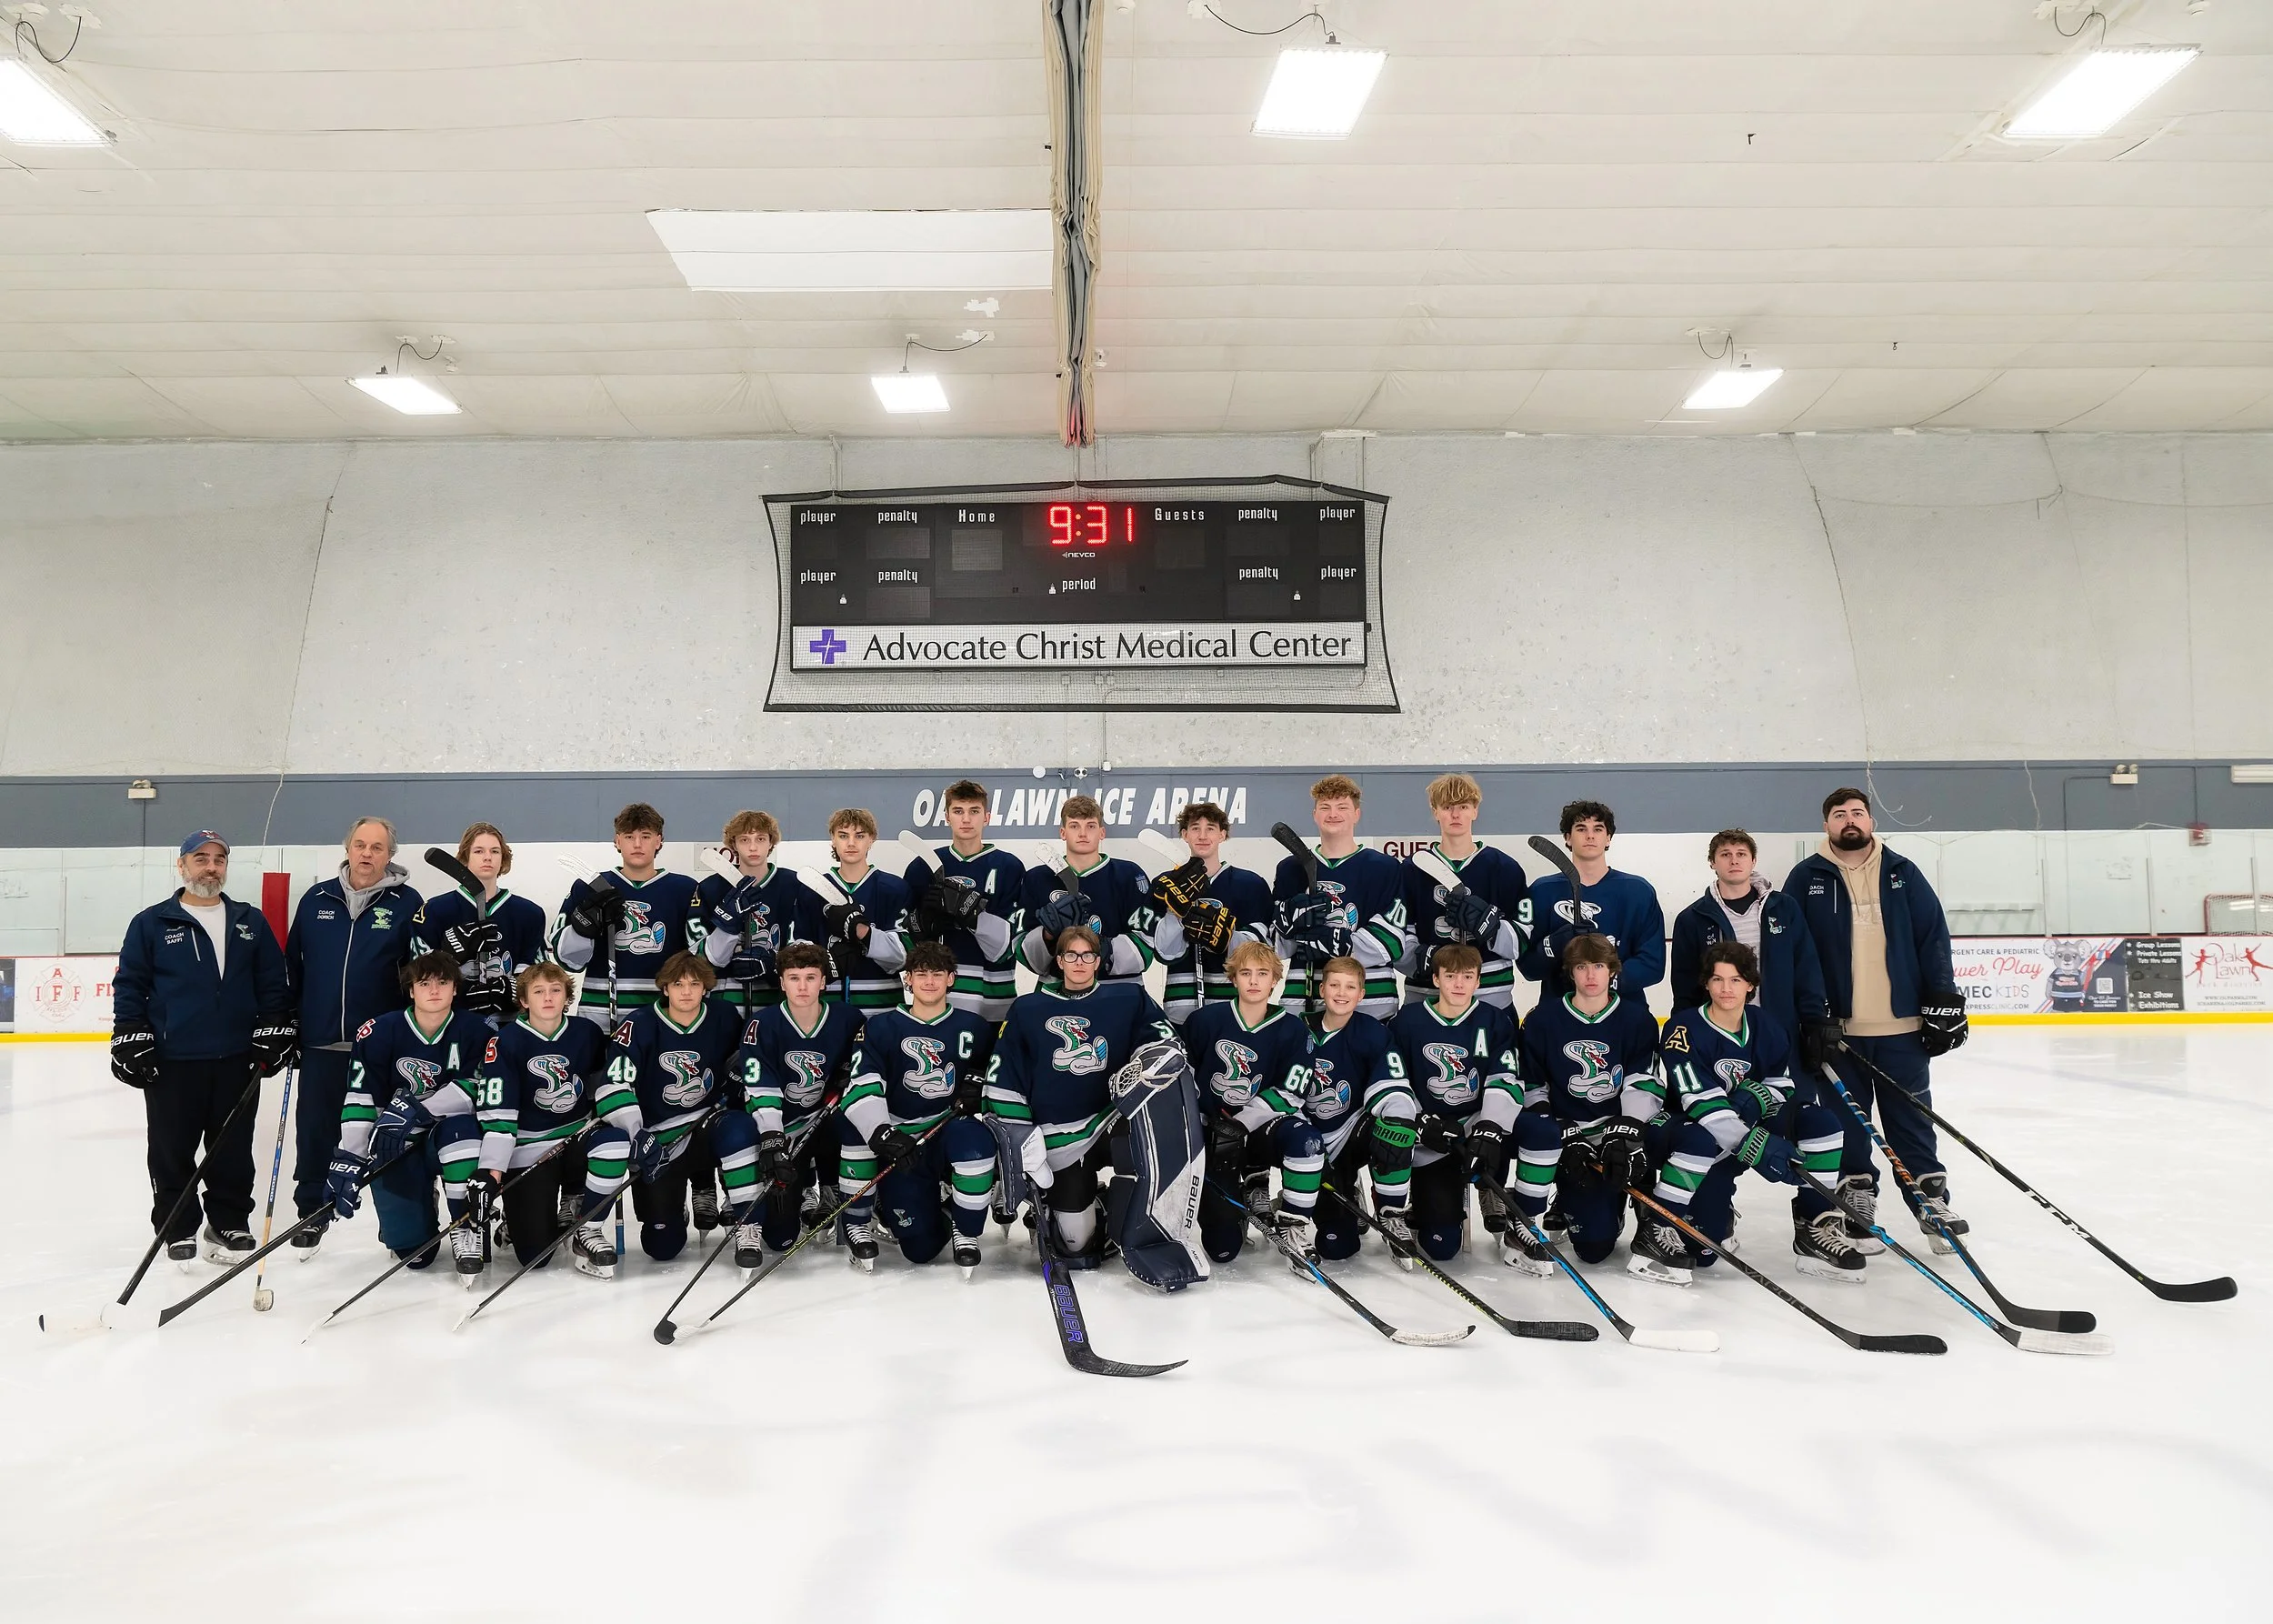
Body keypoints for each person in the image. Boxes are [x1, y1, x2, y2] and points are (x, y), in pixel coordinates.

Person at [1787, 787, 1971, 1249]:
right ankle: (1856, 1208)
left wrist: (1944, 1000)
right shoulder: (1805, 877)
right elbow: (1793, 952)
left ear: (1870, 821)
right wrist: (1808, 1017)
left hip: (1902, 1029)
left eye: (1858, 813)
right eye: (1839, 814)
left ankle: (1931, 1204)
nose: (1850, 820)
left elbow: (1933, 939)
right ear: (1826, 824)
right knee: (1848, 1125)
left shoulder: (1903, 873)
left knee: (1910, 1122)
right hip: (1838, 1032)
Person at [111, 831, 296, 1265]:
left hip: (236, 1057)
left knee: (232, 1147)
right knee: (172, 1148)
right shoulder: (152, 922)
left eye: (218, 859)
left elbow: (272, 983)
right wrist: (129, 1034)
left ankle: (228, 1220)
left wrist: (276, 1027)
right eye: (201, 859)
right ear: (182, 866)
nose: (210, 867)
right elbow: (130, 985)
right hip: (173, 1059)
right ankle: (177, 1226)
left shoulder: (249, 921)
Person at [1623, 942, 1855, 1286]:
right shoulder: (1682, 1031)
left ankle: (1815, 1223)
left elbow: (1783, 1083)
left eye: (1735, 980)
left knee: (1821, 1123)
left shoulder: (1765, 1025)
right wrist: (1754, 1143)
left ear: (1750, 984)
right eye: (1717, 980)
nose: (1726, 989)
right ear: (1706, 984)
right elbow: (1697, 1100)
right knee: (1703, 1253)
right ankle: (1660, 1224)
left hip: (1742, 1128)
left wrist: (1760, 1096)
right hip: (1687, 1134)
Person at [984, 925, 1177, 1267]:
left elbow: (1165, 1043)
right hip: (1058, 1131)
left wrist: (1148, 1063)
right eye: (1071, 955)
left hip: (1114, 1118)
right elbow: (1004, 1070)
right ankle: (1085, 1205)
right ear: (1058, 961)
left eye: (1087, 956)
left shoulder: (1129, 999)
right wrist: (1020, 1132)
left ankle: (1119, 1211)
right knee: (1075, 1245)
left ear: (1098, 961)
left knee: (1142, 1160)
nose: (1079, 963)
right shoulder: (1027, 1008)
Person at [284, 815, 421, 1254]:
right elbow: (294, 966)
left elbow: (416, 975)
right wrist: (289, 1022)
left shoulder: (408, 903)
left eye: (377, 847)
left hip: (378, 1046)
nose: (366, 854)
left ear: (390, 855)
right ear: (348, 848)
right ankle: (312, 1209)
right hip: (321, 1040)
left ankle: (397, 1217)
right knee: (316, 1129)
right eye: (360, 845)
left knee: (388, 1132)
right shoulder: (316, 898)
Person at [836, 941, 1001, 1273]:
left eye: (937, 974)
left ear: (951, 979)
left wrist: (980, 1083)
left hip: (946, 1126)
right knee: (920, 1250)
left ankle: (966, 1229)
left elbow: (1001, 1068)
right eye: (921, 974)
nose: (929, 981)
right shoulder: (880, 1026)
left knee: (977, 1144)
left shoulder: (974, 1026)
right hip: (901, 1137)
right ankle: (867, 1216)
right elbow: (862, 1083)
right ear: (907, 979)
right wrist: (884, 1132)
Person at [325, 951, 491, 1273]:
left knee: (464, 1134)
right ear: (411, 990)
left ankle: (463, 1226)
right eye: (424, 983)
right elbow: (360, 1096)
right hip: (394, 1143)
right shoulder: (377, 1032)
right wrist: (353, 1157)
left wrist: (418, 1111)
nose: (433, 990)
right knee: (415, 1257)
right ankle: (416, 1209)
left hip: (448, 1135)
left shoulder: (479, 1030)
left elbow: (480, 1089)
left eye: (443, 983)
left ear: (455, 988)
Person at [1502, 934, 1661, 1268]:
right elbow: (1532, 1085)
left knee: (1668, 1131)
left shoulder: (1637, 1019)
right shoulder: (1542, 1019)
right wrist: (1560, 1128)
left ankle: (1637, 1187)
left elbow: (1644, 1081)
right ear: (1569, 972)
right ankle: (1557, 1195)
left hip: (1614, 1131)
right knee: (1593, 1248)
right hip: (1568, 1132)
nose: (1591, 975)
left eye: (1599, 966)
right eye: (1582, 967)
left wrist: (1625, 1132)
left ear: (1612, 971)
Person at [593, 952, 758, 1265]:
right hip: (659, 1139)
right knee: (662, 1247)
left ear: (705, 988)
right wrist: (636, 1132)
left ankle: (745, 1219)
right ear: (665, 988)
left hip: (708, 1123)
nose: (686, 991)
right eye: (678, 984)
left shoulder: (724, 1016)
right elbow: (612, 1086)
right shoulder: (639, 1024)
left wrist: (743, 1073)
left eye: (694, 984)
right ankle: (673, 1204)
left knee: (740, 1129)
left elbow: (749, 1063)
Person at [474, 962, 624, 1278]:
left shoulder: (587, 1032)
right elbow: (498, 1115)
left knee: (613, 1143)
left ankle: (581, 1211)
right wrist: (493, 1172)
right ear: (524, 1000)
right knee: (535, 1257)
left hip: (577, 1137)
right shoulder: (504, 1043)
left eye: (556, 990)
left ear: (566, 996)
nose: (548, 998)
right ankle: (517, 1219)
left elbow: (604, 1084)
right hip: (530, 1148)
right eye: (538, 992)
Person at [1183, 941, 1324, 1270]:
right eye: (1246, 973)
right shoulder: (1204, 1021)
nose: (1254, 981)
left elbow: (1293, 1089)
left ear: (1275, 979)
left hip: (1261, 1129)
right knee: (1222, 1249)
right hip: (1215, 1138)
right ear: (1234, 978)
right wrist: (1202, 1123)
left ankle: (1294, 1226)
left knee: (1307, 1141)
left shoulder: (1292, 1028)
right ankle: (1240, 1200)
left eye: (1263, 974)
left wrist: (1243, 1121)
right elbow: (1182, 1075)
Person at [1384, 944, 1522, 1263]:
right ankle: (1425, 1202)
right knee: (1441, 1248)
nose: (1458, 985)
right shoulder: (1408, 1021)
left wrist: (1488, 1128)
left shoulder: (1495, 1021)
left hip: (1475, 1128)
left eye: (1467, 977)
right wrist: (1419, 1121)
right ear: (1436, 979)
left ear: (1477, 982)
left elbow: (1506, 1079)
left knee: (1526, 1126)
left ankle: (1496, 1188)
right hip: (1431, 1136)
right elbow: (1394, 1078)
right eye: (1450, 976)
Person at [734, 942, 863, 1269]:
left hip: (825, 1117)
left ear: (823, 981)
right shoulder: (761, 1025)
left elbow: (866, 1068)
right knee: (781, 1239)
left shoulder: (849, 1018)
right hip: (784, 1127)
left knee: (849, 1120)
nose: (802, 986)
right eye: (794, 978)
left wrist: (848, 1076)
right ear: (782, 982)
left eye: (810, 977)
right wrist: (773, 1138)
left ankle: (838, 1193)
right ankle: (803, 1190)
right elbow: (759, 1085)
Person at [1668, 829, 1833, 1072]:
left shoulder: (1784, 908)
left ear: (1753, 861)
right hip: (1721, 1033)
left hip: (1779, 1027)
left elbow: (1806, 968)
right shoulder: (1692, 919)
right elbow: (1685, 984)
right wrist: (1683, 1027)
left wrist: (1814, 1020)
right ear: (1713, 862)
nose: (1734, 860)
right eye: (1725, 854)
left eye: (1741, 854)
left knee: (1789, 1102)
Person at [1305, 957, 1419, 1265]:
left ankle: (1391, 1213)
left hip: (1353, 1133)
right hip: (1310, 1142)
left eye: (1350, 987)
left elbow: (1394, 1086)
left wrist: (1398, 1119)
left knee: (1395, 1128)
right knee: (1337, 1247)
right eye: (1334, 985)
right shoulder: (1297, 1029)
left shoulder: (1374, 1033)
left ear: (1361, 994)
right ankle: (1333, 1192)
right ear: (1322, 989)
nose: (1341, 993)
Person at [549, 801, 702, 1028]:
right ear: (617, 841)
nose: (637, 844)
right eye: (629, 836)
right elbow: (568, 962)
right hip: (600, 1010)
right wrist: (582, 929)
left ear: (659, 840)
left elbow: (698, 955)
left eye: (646, 836)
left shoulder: (685, 889)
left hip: (663, 1010)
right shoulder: (589, 887)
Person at [1271, 774, 1411, 1018]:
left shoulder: (1385, 868)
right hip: (1303, 998)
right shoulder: (1290, 869)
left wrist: (1338, 943)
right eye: (1325, 807)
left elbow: (1393, 940)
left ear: (1357, 814)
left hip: (1371, 1003)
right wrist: (1290, 924)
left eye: (1342, 807)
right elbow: (1275, 947)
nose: (1333, 814)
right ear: (1315, 814)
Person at [896, 781, 1026, 1020]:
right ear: (947, 816)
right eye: (958, 811)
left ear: (986, 817)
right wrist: (923, 926)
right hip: (936, 1000)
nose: (966, 819)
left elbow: (1009, 948)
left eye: (974, 811)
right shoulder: (921, 867)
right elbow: (905, 939)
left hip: (994, 1000)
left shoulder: (1010, 867)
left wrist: (973, 917)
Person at [1401, 773, 1530, 1007]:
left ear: (1475, 810)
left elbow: (1522, 941)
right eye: (1447, 807)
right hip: (1426, 996)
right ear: (1435, 812)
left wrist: (1491, 928)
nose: (1456, 814)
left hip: (1492, 998)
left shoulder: (1505, 869)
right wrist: (1423, 959)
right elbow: (1399, 932)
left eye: (1463, 806)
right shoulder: (1412, 869)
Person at [1517, 800, 1666, 997]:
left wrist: (1601, 984)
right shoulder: (1541, 891)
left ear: (1608, 839)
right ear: (1568, 838)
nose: (1590, 835)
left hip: (1625, 1014)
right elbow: (1529, 968)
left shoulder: (1639, 891)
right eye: (1581, 829)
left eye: (1598, 829)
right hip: (1560, 1014)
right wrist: (1554, 945)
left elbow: (1653, 964)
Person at [1147, 799, 1273, 1027]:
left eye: (1210, 829)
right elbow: (1165, 952)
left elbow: (1262, 949)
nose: (1202, 836)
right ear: (1185, 835)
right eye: (1195, 828)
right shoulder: (1165, 885)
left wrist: (1226, 937)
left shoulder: (1251, 884)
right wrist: (1176, 912)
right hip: (1181, 1006)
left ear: (1223, 835)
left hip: (1235, 1004)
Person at [1015, 795, 1157, 987]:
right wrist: (1047, 935)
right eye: (1074, 826)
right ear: (1063, 833)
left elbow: (1147, 943)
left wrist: (1102, 949)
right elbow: (1021, 949)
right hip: (1056, 992)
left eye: (1090, 826)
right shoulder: (1037, 878)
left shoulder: (1129, 875)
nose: (1083, 833)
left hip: (1119, 991)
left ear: (1102, 832)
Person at [411, 822, 547, 1022]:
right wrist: (448, 956)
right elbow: (415, 973)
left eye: (495, 851)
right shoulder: (434, 910)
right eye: (478, 851)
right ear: (465, 858)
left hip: (510, 1025)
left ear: (503, 859)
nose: (487, 857)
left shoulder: (530, 913)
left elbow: (537, 975)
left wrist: (515, 989)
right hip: (451, 1023)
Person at [696, 809, 814, 1011]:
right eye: (744, 840)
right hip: (726, 1003)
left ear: (771, 843)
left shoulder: (794, 886)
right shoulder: (710, 888)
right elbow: (700, 960)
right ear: (733, 844)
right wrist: (727, 923)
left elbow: (808, 949)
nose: (753, 847)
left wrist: (773, 964)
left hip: (781, 1001)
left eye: (760, 839)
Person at [807, 807, 915, 1012]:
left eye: (859, 835)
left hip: (881, 1007)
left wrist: (864, 934)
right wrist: (825, 960)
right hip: (825, 1007)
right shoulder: (813, 890)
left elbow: (905, 955)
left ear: (872, 839)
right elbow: (798, 944)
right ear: (833, 839)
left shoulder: (894, 888)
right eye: (843, 835)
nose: (851, 843)